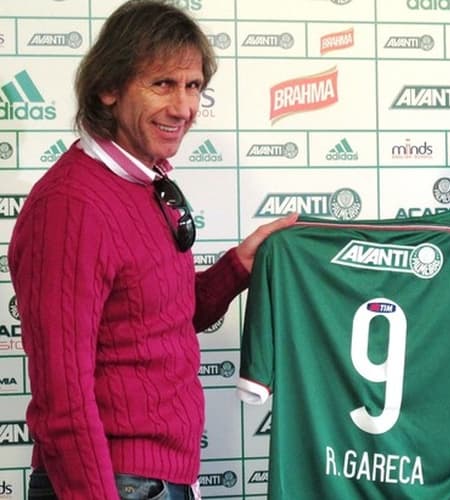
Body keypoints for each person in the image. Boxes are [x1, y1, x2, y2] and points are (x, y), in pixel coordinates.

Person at [7, 1, 297, 499]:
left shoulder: (142, 185)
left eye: (193, 87)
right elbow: (63, 400)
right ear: (109, 87)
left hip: (160, 481)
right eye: (162, 84)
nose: (183, 108)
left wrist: (239, 266)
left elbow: (160, 319)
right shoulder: (72, 206)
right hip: (114, 484)